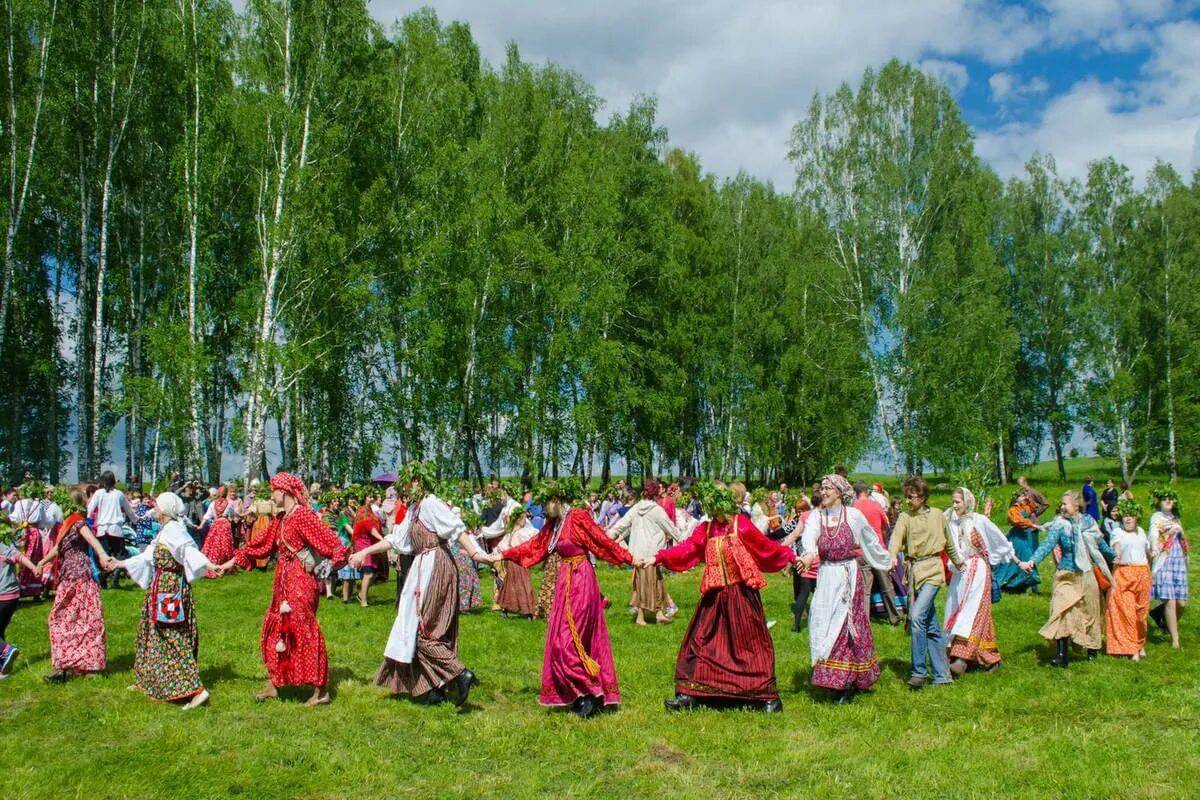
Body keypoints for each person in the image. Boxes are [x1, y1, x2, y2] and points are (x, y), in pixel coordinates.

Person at [652, 481, 801, 713]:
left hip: (741, 595)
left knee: (750, 646)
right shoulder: (707, 529)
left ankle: (766, 697)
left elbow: (765, 547)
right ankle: (691, 693)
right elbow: (688, 549)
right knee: (699, 643)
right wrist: (659, 557)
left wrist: (790, 556)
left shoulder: (739, 525)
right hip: (714, 596)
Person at [351, 463, 486, 707]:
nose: (403, 488)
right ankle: (432, 689)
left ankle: (460, 674)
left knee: (425, 631)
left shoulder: (431, 503)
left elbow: (456, 529)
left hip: (436, 566)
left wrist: (477, 555)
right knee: (415, 627)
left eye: (407, 483)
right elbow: (395, 540)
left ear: (417, 482)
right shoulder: (414, 509)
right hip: (422, 568)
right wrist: (364, 552)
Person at [499, 478, 633, 718]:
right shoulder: (555, 523)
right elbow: (533, 547)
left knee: (568, 641)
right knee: (560, 639)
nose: (543, 508)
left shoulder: (578, 517)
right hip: (566, 582)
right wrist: (501, 554)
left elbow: (601, 541)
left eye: (546, 502)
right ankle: (583, 694)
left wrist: (629, 558)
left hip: (581, 580)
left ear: (556, 499)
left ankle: (589, 692)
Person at [215, 473, 348, 706]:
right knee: (277, 630)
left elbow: (329, 541)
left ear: (285, 492)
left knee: (303, 630)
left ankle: (321, 690)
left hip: (301, 582)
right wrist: (231, 562)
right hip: (282, 583)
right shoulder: (282, 518)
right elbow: (262, 544)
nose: (271, 494)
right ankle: (275, 683)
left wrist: (341, 558)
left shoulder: (303, 516)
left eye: (274, 489)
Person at [788, 474, 892, 703]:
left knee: (845, 626)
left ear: (839, 492)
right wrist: (806, 557)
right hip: (826, 576)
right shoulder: (816, 516)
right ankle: (832, 676)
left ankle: (844, 683)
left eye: (828, 489)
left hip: (848, 576)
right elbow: (810, 541)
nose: (823, 492)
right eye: (822, 488)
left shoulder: (854, 516)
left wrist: (887, 561)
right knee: (822, 622)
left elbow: (870, 541)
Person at [112, 492, 219, 709]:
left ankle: (194, 690)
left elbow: (189, 551)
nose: (155, 509)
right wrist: (119, 564)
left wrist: (209, 566)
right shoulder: (164, 531)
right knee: (150, 633)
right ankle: (147, 680)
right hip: (160, 590)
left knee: (172, 635)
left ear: (165, 510)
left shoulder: (174, 530)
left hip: (170, 592)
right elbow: (146, 557)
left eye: (158, 506)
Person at [1018, 491, 1113, 667]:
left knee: (1089, 612)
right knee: (1061, 610)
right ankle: (1062, 655)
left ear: (1076, 506)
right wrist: (1032, 561)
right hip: (1065, 574)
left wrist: (1114, 556)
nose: (1061, 507)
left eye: (1065, 504)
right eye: (1061, 504)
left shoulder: (1089, 523)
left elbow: (1101, 544)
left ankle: (1092, 649)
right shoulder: (1059, 525)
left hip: (1086, 574)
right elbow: (1048, 545)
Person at [888, 475, 963, 689]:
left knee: (917, 615)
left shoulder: (938, 515)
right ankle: (942, 675)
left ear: (922, 497)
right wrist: (893, 555)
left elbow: (948, 542)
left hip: (933, 571)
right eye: (907, 497)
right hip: (914, 573)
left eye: (911, 497)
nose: (908, 501)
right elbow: (895, 539)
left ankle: (919, 672)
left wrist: (959, 562)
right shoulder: (905, 517)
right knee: (931, 624)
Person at [36, 489, 110, 682]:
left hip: (80, 578)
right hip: (67, 577)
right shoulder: (67, 524)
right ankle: (66, 663)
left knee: (86, 619)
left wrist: (102, 555)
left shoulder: (77, 521)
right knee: (61, 619)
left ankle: (89, 665)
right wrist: (42, 562)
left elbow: (93, 541)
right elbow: (58, 549)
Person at [944, 488, 1015, 675]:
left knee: (972, 611)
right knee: (956, 609)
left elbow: (1000, 541)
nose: (954, 505)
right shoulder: (951, 522)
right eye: (953, 501)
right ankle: (982, 656)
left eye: (958, 501)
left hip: (978, 571)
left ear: (967, 502)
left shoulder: (979, 521)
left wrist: (1012, 560)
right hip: (961, 572)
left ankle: (962, 658)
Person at [607, 479, 680, 626]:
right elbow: (671, 529)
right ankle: (642, 618)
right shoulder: (657, 510)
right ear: (655, 494)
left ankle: (658, 614)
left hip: (638, 555)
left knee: (653, 583)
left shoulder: (636, 508)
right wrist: (687, 542)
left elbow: (621, 525)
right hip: (652, 554)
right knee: (648, 585)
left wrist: (606, 537)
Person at [1106, 500, 1156, 660]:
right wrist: (1117, 554)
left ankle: (1139, 643)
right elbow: (1117, 545)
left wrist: (1153, 557)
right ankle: (1132, 649)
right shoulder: (1117, 531)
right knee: (1127, 612)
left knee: (1141, 614)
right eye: (1125, 516)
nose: (1128, 519)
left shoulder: (1141, 531)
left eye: (1132, 516)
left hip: (1142, 574)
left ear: (1137, 518)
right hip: (1124, 574)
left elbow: (1148, 551)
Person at [852, 481, 901, 625]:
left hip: (860, 551)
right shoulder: (876, 506)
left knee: (865, 589)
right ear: (867, 491)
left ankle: (864, 620)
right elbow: (886, 526)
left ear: (856, 492)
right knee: (887, 585)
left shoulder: (852, 508)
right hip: (877, 549)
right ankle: (894, 617)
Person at [1148, 487, 1187, 649]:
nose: (1169, 501)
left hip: (1178, 561)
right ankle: (1175, 639)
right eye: (1165, 499)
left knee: (1182, 604)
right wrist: (1166, 530)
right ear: (1159, 503)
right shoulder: (1156, 518)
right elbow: (1153, 536)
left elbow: (1184, 540)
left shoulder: (1176, 517)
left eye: (1171, 498)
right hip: (1164, 562)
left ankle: (1159, 614)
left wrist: (1179, 529)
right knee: (1170, 602)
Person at [1, 531, 42, 676]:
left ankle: (6, 650)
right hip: (12, 597)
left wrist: (33, 568)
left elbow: (18, 556)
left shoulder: (3, 545)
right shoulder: (5, 544)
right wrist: (33, 567)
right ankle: (3, 669)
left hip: (3, 596)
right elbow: (19, 556)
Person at [86, 472, 137, 589]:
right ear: (114, 481)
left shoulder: (99, 493)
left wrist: (88, 522)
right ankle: (113, 579)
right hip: (115, 529)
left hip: (102, 529)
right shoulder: (119, 494)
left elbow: (90, 509)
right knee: (120, 556)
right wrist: (136, 521)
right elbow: (129, 511)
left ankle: (104, 578)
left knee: (105, 556)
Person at [993, 492, 1042, 594]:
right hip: (1016, 537)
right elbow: (1017, 520)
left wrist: (1029, 499)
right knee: (1018, 560)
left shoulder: (1025, 507)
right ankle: (1007, 584)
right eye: (1022, 496)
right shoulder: (1012, 510)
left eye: (1025, 496)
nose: (1024, 498)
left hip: (1024, 536)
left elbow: (1036, 507)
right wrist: (1032, 524)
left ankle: (1031, 587)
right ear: (1016, 499)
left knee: (1028, 558)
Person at [496, 509, 539, 617]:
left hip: (510, 563)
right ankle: (528, 610)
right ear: (519, 520)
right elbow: (537, 534)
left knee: (509, 585)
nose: (525, 521)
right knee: (523, 584)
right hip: (519, 563)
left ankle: (505, 610)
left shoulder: (510, 534)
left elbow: (501, 547)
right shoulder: (522, 533)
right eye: (524, 519)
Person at [351, 502, 384, 607]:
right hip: (364, 549)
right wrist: (384, 541)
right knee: (368, 574)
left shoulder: (359, 521)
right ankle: (363, 601)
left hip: (366, 547)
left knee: (373, 573)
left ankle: (361, 595)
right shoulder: (366, 521)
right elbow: (374, 532)